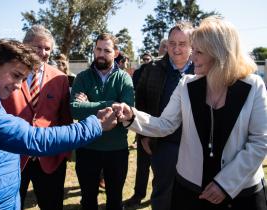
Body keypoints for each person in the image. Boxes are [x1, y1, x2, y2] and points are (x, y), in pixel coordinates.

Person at [113, 16, 267, 210]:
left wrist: (225, 184)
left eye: (199, 52)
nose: (192, 57)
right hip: (190, 191)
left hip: (242, 194)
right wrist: (132, 116)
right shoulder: (186, 84)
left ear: (221, 54)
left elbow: (260, 142)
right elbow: (165, 124)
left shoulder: (253, 86)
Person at [0, 39, 117, 210]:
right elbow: (32, 138)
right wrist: (95, 125)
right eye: (16, 75)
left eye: (22, 79)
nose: (17, 86)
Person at [124, 21, 194, 209]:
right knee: (163, 193)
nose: (176, 48)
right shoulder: (152, 68)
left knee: (191, 195)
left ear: (192, 45)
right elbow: (141, 102)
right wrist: (144, 135)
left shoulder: (202, 70)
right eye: (172, 43)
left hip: (194, 147)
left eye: (182, 43)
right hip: (163, 144)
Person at [0, 25, 70, 210]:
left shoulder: (60, 78)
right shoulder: (6, 74)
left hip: (49, 157)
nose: (43, 52)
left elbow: (65, 119)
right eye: (38, 47)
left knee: (52, 204)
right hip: (12, 156)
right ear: (24, 46)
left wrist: (63, 153)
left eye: (47, 49)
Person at [70, 33, 134, 210]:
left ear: (115, 52)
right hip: (87, 148)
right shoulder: (82, 77)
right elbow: (74, 108)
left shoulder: (124, 78)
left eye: (107, 50)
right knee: (88, 200)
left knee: (114, 201)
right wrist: (110, 103)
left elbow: (126, 109)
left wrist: (89, 105)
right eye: (98, 49)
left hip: (117, 150)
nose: (101, 54)